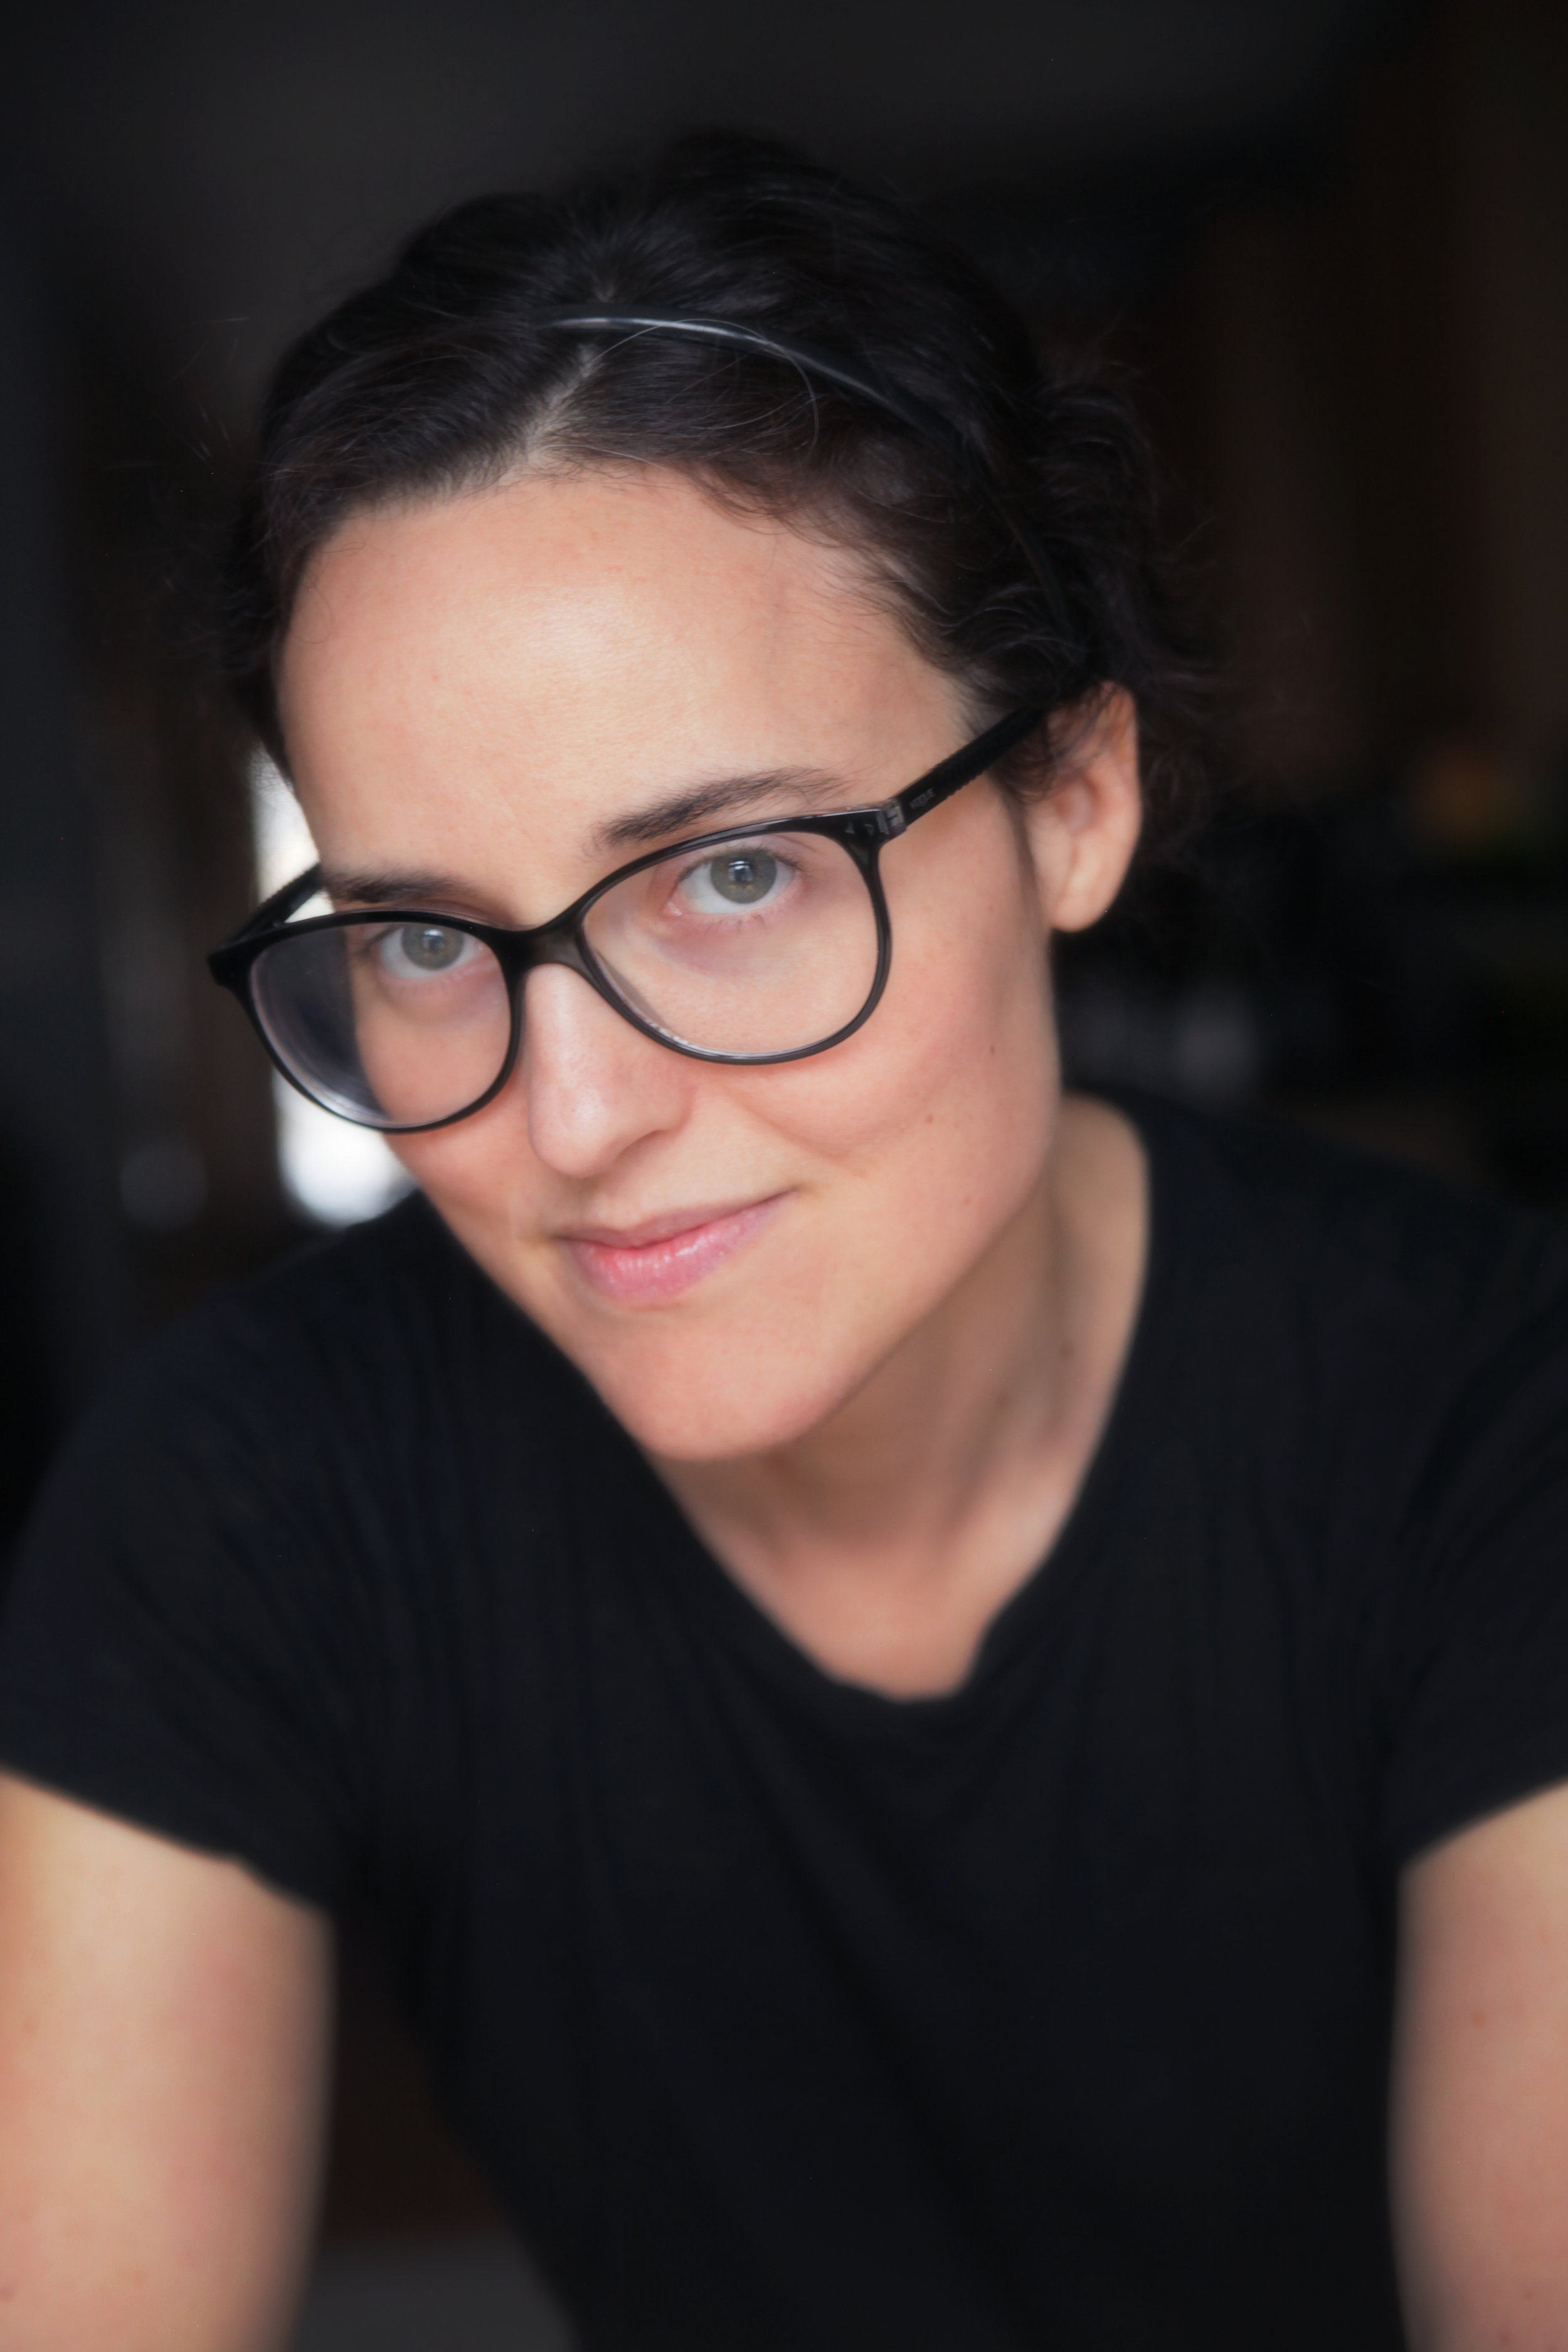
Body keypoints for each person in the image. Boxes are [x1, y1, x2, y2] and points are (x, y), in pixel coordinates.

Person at [2, 132, 1567, 2352]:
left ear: (1070, 798)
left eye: (732, 876)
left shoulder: (1489, 1431)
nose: (573, 1121)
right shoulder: (249, 1497)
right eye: (425, 937)